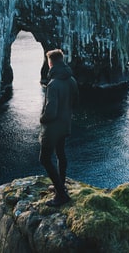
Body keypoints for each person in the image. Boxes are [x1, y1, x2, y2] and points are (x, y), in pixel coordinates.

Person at [39, 49, 79, 207]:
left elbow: (51, 111)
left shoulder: (53, 84)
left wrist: (42, 119)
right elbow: (76, 102)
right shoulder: (72, 80)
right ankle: (60, 185)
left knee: (44, 159)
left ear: (50, 63)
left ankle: (61, 195)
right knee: (60, 154)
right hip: (65, 125)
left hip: (53, 129)